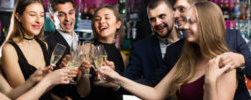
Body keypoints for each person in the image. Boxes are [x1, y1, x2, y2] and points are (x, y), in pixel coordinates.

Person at [99, 1, 237, 100]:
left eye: (191, 22)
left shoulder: (225, 64)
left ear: (207, 26)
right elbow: (155, 94)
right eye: (152, 19)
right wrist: (117, 78)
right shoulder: (186, 58)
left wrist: (210, 81)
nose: (185, 26)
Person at [145, 0, 251, 99]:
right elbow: (156, 88)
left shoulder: (232, 40)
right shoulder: (183, 54)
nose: (175, 15)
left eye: (181, 9)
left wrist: (242, 59)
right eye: (174, 10)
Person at [0, 0, 77, 100]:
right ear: (18, 16)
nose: (38, 20)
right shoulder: (9, 49)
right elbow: (22, 95)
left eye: (41, 15)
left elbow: (45, 90)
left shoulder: (43, 45)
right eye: (32, 15)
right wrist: (51, 79)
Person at [120, 0, 180, 86]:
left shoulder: (189, 39)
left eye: (162, 16)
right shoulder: (141, 48)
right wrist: (115, 78)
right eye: (152, 19)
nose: (158, 23)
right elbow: (131, 77)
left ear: (173, 13)